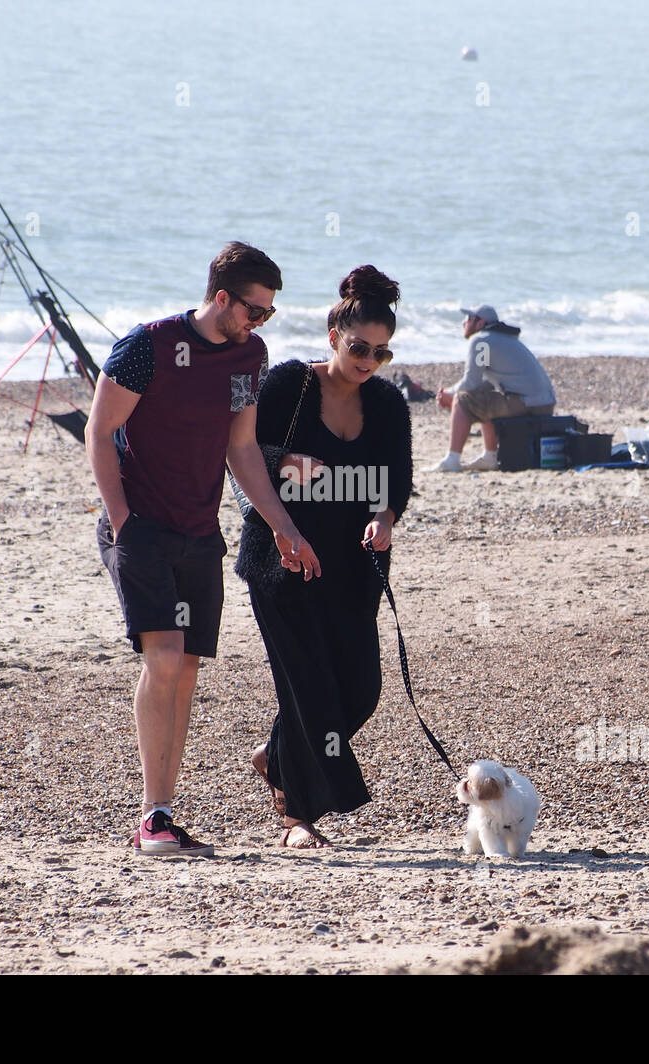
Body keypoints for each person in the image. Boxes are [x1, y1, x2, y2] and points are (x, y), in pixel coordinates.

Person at [85, 242, 320, 858]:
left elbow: (241, 448)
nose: (259, 322)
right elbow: (100, 429)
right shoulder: (149, 345)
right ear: (221, 297)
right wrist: (121, 518)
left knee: (185, 668)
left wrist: (282, 526)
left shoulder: (249, 355)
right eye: (254, 310)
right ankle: (152, 817)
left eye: (268, 313)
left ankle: (161, 814)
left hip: (198, 532)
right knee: (162, 659)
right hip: (139, 528)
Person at [236, 266, 413, 848]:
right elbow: (242, 456)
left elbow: (395, 482)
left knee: (360, 689)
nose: (368, 361)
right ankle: (296, 817)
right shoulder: (290, 385)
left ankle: (276, 754)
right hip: (283, 559)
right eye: (359, 347)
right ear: (334, 335)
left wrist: (382, 518)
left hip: (353, 567)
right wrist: (286, 468)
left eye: (380, 353)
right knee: (308, 686)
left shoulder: (387, 403)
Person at [429, 304, 556, 472]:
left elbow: (470, 383)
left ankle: (452, 460)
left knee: (463, 399)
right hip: (545, 403)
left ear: (480, 323)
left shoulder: (481, 341)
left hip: (526, 402)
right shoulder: (503, 339)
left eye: (468, 319)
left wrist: (449, 394)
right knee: (482, 397)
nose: (463, 323)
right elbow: (483, 385)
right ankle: (490, 457)